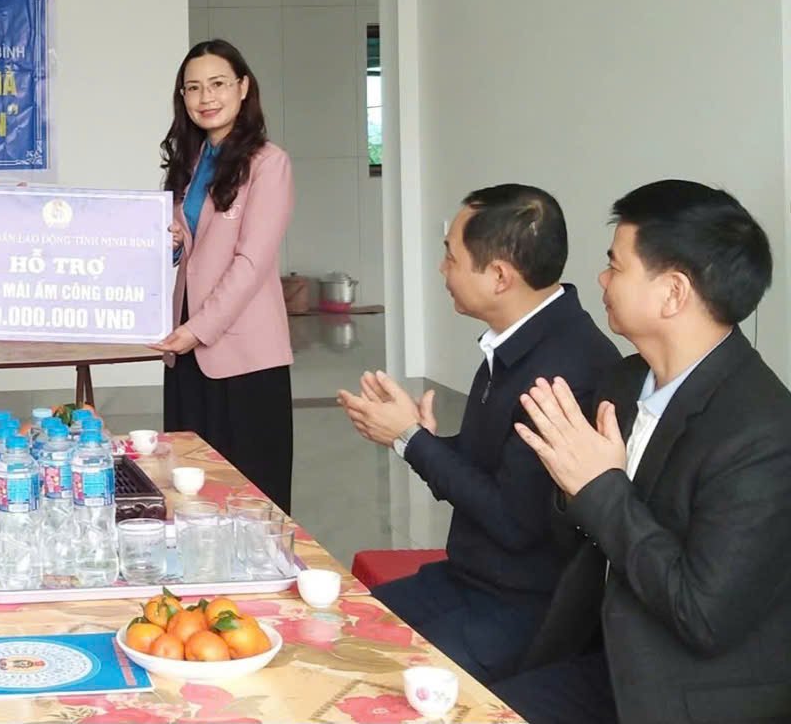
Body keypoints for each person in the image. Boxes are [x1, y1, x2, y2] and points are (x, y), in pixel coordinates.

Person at [493, 181, 791, 723]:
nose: (602, 279)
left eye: (616, 265)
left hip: (684, 692)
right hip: (602, 651)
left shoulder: (765, 432)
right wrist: (569, 484)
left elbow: (703, 615)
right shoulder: (624, 380)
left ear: (673, 293)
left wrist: (600, 488)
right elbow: (575, 538)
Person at [337, 184, 620, 683]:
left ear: (499, 276)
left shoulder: (561, 374)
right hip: (471, 580)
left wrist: (411, 440)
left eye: (451, 256)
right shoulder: (522, 341)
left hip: (522, 608)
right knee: (339, 631)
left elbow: (514, 522)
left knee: (367, 678)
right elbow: (491, 470)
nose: (442, 269)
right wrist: (417, 438)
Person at [153, 39, 295, 513]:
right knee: (192, 488)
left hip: (244, 355)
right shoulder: (190, 164)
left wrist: (197, 329)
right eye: (193, 88)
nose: (205, 97)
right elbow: (187, 250)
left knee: (252, 497)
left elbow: (251, 263)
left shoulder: (269, 163)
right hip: (186, 350)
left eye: (217, 84)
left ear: (243, 87)